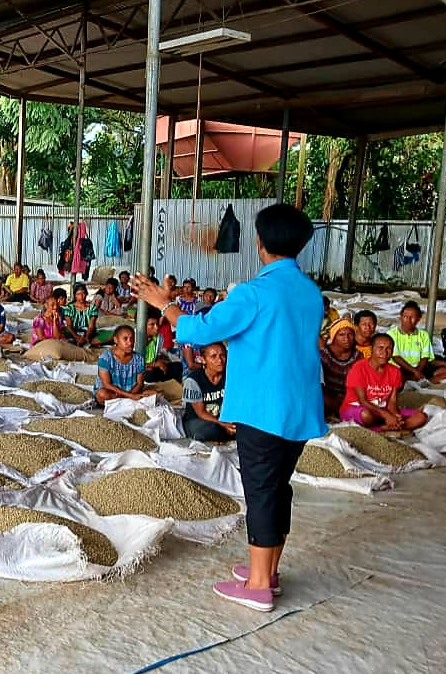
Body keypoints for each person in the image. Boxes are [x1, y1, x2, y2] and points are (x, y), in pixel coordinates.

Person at [131, 202, 326, 613]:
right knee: (279, 488)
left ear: (260, 243)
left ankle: (258, 586)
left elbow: (201, 330)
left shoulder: (254, 293)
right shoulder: (310, 293)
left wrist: (164, 303)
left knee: (261, 492)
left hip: (263, 409)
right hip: (300, 408)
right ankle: (267, 571)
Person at [341, 333, 428, 432]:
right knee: (366, 415)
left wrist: (395, 416)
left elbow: (392, 402)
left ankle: (387, 427)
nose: (384, 352)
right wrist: (386, 415)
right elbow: (363, 401)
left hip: (382, 409)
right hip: (357, 408)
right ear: (371, 349)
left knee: (421, 417)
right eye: (380, 348)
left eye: (388, 349)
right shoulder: (359, 368)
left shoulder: (395, 371)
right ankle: (382, 427)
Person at [182, 343, 235, 442]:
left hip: (223, 418)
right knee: (206, 431)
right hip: (200, 420)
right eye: (213, 356)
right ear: (203, 360)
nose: (220, 360)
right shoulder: (193, 380)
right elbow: (201, 413)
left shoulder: (231, 376)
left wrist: (230, 422)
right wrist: (223, 424)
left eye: (222, 355)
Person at [94, 325, 149, 405]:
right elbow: (107, 385)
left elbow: (139, 383)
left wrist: (131, 394)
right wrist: (130, 396)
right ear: (116, 340)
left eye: (132, 339)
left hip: (132, 392)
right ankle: (126, 402)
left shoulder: (139, 359)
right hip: (112, 393)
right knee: (101, 394)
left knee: (153, 393)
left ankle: (122, 402)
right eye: (125, 339)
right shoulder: (106, 357)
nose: (130, 343)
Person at [320, 317, 362, 418]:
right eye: (341, 335)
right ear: (334, 337)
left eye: (350, 334)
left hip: (348, 395)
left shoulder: (358, 355)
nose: (346, 339)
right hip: (327, 395)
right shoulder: (323, 355)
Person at [387, 300, 434, 382]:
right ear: (401, 317)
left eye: (412, 317)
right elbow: (395, 357)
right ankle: (414, 379)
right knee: (394, 374)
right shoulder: (391, 334)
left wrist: (418, 371)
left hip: (419, 367)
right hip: (399, 367)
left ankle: (418, 380)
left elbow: (425, 357)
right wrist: (414, 372)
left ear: (418, 319)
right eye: (405, 316)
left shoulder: (424, 335)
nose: (408, 320)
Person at [143, 309, 180, 383]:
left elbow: (156, 357)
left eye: (157, 324)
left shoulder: (159, 337)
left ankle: (159, 379)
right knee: (150, 374)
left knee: (177, 367)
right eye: (152, 325)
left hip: (152, 367)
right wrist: (155, 364)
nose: (156, 327)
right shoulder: (135, 338)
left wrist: (160, 362)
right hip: (141, 370)